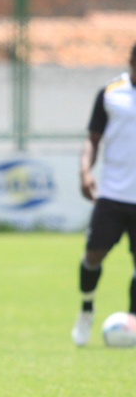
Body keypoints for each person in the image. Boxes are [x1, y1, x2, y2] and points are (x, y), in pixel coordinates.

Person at [71, 43, 136, 346]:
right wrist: (85, 171)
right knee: (93, 256)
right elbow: (92, 139)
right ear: (131, 61)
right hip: (111, 194)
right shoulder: (111, 93)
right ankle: (86, 310)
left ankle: (132, 320)